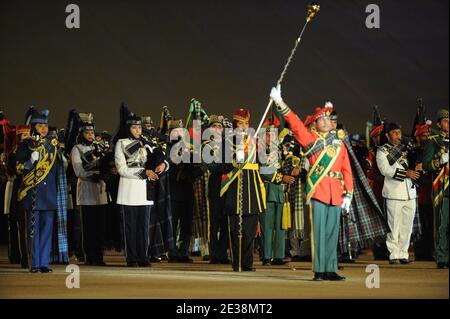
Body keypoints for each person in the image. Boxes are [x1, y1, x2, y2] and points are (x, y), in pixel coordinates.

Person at [270, 85, 353, 281]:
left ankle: (331, 268)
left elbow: (346, 170)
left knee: (333, 232)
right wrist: (279, 102)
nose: (326, 121)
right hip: (319, 190)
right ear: (314, 124)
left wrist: (348, 193)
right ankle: (319, 270)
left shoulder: (338, 143)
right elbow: (296, 123)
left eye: (327, 118)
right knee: (318, 232)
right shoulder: (310, 140)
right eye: (322, 119)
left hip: (336, 192)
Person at [15, 108, 69, 273]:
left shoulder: (52, 145)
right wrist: (30, 161)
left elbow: (61, 167)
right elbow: (18, 168)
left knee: (46, 230)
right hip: (33, 192)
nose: (44, 129)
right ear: (33, 127)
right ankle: (35, 263)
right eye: (40, 126)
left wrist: (62, 157)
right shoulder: (25, 145)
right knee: (33, 231)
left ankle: (44, 262)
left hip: (49, 194)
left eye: (45, 126)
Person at [115, 111, 167, 267]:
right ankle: (131, 258)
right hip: (129, 191)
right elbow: (121, 169)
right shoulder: (121, 143)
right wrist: (145, 172)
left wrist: (163, 165)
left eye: (139, 128)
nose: (138, 130)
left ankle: (143, 256)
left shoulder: (147, 143)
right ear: (128, 128)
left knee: (144, 227)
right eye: (135, 128)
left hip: (145, 191)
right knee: (130, 228)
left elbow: (161, 157)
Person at [219, 108, 267, 272]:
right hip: (235, 186)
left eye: (246, 123)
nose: (244, 127)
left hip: (252, 186)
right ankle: (237, 263)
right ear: (235, 124)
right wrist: (234, 160)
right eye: (241, 123)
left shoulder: (254, 141)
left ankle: (248, 263)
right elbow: (221, 166)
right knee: (235, 230)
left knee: (249, 230)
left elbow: (263, 163)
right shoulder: (227, 141)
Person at [376, 122, 419, 264]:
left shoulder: (408, 147)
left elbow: (415, 164)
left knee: (407, 226)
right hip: (393, 192)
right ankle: (394, 254)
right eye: (394, 133)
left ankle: (403, 253)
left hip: (410, 192)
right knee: (393, 225)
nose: (398, 135)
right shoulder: (382, 150)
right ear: (387, 135)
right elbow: (385, 170)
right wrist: (405, 173)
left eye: (399, 132)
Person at [70, 113, 108, 266]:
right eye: (87, 132)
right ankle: (89, 256)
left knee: (99, 227)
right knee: (88, 227)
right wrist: (93, 174)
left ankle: (99, 256)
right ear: (81, 134)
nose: (90, 135)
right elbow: (78, 171)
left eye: (92, 132)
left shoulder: (99, 148)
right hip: (86, 191)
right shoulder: (77, 149)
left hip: (99, 191)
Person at [423, 109, 449, 269]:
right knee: (442, 224)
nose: (449, 123)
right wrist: (439, 161)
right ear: (439, 124)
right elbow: (426, 164)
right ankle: (442, 257)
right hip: (442, 187)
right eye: (445, 120)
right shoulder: (433, 141)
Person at [203, 114, 230, 264]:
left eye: (219, 126)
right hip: (215, 186)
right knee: (214, 223)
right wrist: (227, 167)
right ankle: (214, 253)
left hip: (227, 187)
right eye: (214, 126)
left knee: (225, 222)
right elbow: (211, 165)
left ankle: (223, 254)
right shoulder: (206, 145)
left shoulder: (228, 144)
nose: (217, 129)